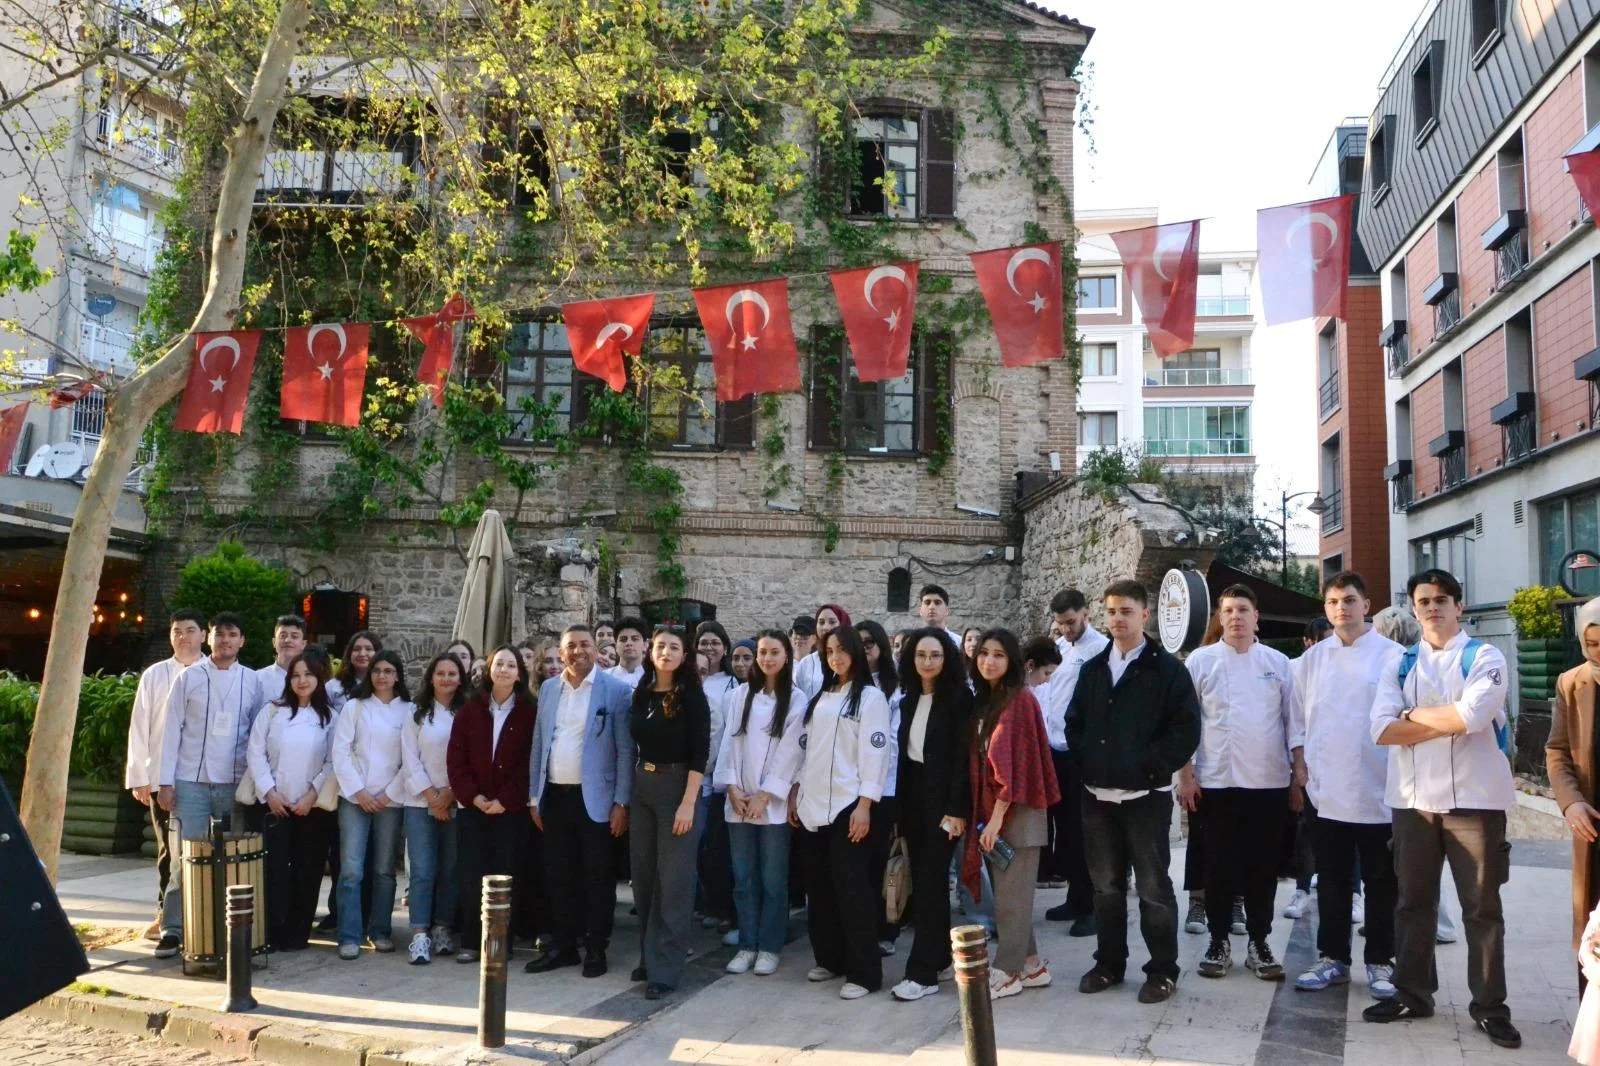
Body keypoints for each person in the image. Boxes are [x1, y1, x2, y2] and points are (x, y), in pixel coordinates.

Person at [1362, 568, 1520, 1049]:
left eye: (1441, 599)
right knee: (1412, 903)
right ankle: (1413, 993)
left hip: (1475, 802)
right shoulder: (1401, 663)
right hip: (1412, 802)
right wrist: (1443, 721)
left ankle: (1490, 1007)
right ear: (1414, 607)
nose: (1432, 607)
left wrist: (1410, 717)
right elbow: (1380, 731)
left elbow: (1474, 716)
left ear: (1459, 605)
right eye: (1424, 600)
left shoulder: (1485, 656)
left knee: (1482, 910)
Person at [1069, 580, 1201, 1005]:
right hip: (1096, 797)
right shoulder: (1092, 670)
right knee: (1105, 887)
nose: (1117, 619)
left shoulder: (1168, 671)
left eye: (1126, 611)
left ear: (1145, 615)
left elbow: (1185, 730)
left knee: (1152, 888)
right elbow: (1075, 724)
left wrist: (1150, 768)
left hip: (1145, 799)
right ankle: (1109, 962)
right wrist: (1090, 761)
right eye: (1110, 612)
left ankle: (1162, 970)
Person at [1291, 571, 1401, 1000]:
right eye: (1334, 602)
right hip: (1326, 788)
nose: (1342, 609)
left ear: (1366, 605)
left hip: (1380, 788)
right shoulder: (1311, 661)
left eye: (1350, 600)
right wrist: (1299, 769)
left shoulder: (1394, 656)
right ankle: (1332, 958)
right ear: (1326, 609)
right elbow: (1297, 722)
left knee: (1380, 882)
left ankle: (1381, 960)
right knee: (1333, 880)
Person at [1179, 585, 1294, 982]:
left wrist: (1297, 778)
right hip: (1214, 783)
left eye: (1243, 609)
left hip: (1268, 782)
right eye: (1228, 610)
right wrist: (1186, 774)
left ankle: (1260, 942)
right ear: (1220, 617)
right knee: (1217, 866)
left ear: (1256, 616)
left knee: (1262, 868)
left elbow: (1293, 725)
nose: (1235, 617)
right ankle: (1218, 941)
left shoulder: (1278, 663)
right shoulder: (1201, 661)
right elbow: (1186, 722)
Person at [776, 624, 891, 1000]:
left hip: (848, 805)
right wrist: (794, 788)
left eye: (842, 650)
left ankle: (864, 972)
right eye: (830, 651)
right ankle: (830, 957)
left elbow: (877, 754)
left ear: (856, 652)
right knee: (819, 887)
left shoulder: (870, 698)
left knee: (853, 889)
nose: (836, 657)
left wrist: (865, 804)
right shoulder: (822, 696)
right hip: (812, 805)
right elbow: (805, 747)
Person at [526, 625, 635, 978]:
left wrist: (621, 801)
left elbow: (624, 750)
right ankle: (564, 946)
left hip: (597, 800)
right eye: (571, 646)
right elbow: (540, 744)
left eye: (585, 644)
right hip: (555, 796)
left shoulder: (616, 691)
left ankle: (596, 948)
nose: (578, 651)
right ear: (561, 653)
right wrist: (534, 796)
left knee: (597, 878)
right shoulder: (548, 689)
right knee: (558, 875)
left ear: (597, 649)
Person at [155, 612, 265, 955]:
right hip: (190, 781)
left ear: (242, 641)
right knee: (184, 855)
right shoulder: (188, 678)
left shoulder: (252, 681)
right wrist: (164, 783)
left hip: (233, 783)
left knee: (232, 855)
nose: (226, 641)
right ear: (210, 639)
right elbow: (170, 730)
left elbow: (258, 735)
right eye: (220, 635)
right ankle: (172, 928)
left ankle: (226, 924)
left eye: (233, 635)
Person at [964, 628, 1060, 999]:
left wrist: (996, 820)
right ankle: (1033, 966)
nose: (989, 660)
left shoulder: (1018, 700)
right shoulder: (990, 699)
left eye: (999, 655)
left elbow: (1013, 766)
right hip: (1000, 813)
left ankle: (1007, 972)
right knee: (1011, 896)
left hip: (1015, 814)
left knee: (1012, 901)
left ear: (1014, 662)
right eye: (984, 652)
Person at [888, 629, 973, 1002]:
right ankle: (937, 957)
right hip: (914, 799)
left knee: (932, 882)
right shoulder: (907, 700)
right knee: (926, 883)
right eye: (921, 655)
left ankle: (921, 972)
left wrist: (956, 810)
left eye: (935, 655)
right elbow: (906, 760)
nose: (927, 662)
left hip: (944, 803)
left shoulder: (959, 699)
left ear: (947, 658)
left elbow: (962, 760)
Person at [715, 630, 805, 976]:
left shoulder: (796, 700)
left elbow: (791, 752)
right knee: (743, 879)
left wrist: (765, 795)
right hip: (738, 802)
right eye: (762, 652)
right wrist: (732, 789)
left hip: (772, 806)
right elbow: (729, 743)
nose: (766, 659)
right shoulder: (740, 695)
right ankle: (746, 944)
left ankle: (769, 945)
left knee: (772, 879)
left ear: (786, 658)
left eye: (774, 652)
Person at [629, 626, 712, 999]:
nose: (665, 651)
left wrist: (688, 802)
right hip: (642, 786)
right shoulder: (642, 692)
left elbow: (700, 753)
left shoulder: (692, 696)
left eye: (673, 647)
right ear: (651, 651)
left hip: (678, 786)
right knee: (644, 877)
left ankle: (665, 969)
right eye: (660, 645)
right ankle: (649, 957)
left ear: (684, 656)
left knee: (674, 881)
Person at [447, 644, 538, 963]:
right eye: (498, 664)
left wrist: (506, 800)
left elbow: (531, 762)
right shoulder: (470, 709)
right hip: (474, 808)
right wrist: (474, 796)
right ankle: (472, 942)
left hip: (510, 812)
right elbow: (456, 759)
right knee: (472, 875)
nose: (503, 670)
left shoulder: (530, 711)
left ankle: (501, 943)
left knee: (507, 875)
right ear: (488, 670)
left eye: (510, 665)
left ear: (519, 673)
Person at [127, 610, 206, 954]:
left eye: (191, 630)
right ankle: (165, 915)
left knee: (202, 850)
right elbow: (139, 726)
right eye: (177, 631)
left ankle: (201, 914)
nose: (184, 637)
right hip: (162, 777)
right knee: (167, 851)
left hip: (203, 779)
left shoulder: (215, 672)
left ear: (204, 635)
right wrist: (140, 777)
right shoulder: (155, 675)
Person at [248, 652, 337, 952]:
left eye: (308, 675)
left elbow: (332, 761)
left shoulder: (330, 717)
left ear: (319, 679)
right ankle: (273, 930)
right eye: (296, 675)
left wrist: (312, 795)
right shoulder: (272, 711)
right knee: (273, 869)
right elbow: (255, 752)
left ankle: (298, 933)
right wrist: (270, 792)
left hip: (311, 808)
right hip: (274, 805)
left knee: (308, 870)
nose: (302, 681)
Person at [330, 649, 414, 959]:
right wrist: (359, 791)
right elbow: (340, 752)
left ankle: (380, 931)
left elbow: (411, 758)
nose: (381, 675)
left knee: (383, 870)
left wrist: (388, 793)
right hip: (355, 799)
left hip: (391, 800)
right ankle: (349, 935)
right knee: (351, 870)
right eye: (377, 670)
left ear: (397, 676)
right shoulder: (355, 706)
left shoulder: (409, 710)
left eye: (388, 670)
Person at [393, 653, 467, 964]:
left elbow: (467, 759)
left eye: (452, 673)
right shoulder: (415, 713)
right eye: (441, 673)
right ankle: (420, 933)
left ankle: (442, 928)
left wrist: (449, 794)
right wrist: (432, 796)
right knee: (422, 871)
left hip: (456, 800)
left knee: (450, 870)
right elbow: (409, 760)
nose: (446, 678)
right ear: (431, 677)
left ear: (460, 678)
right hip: (418, 801)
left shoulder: (468, 712)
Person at [1041, 588, 1107, 933]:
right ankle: (1075, 898)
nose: (1067, 629)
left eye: (1071, 622)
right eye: (1061, 623)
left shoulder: (1101, 649)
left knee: (1087, 833)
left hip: (1081, 752)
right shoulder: (1062, 648)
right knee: (1066, 832)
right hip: (1056, 750)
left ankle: (1095, 908)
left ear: (1086, 612)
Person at [1549, 597, 1600, 994]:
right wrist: (1571, 801)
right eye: (1594, 642)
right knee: (1593, 935)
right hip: (1593, 830)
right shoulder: (1572, 682)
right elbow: (1558, 751)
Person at [858, 619, 902, 954]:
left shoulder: (895, 687)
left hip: (884, 786)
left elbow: (892, 741)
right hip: (850, 786)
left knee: (882, 861)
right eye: (857, 643)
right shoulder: (845, 683)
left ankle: (885, 928)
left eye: (870, 642)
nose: (865, 648)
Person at [794, 605, 849, 699]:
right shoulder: (806, 663)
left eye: (832, 622)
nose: (825, 627)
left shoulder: (851, 659)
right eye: (821, 622)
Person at [256, 615, 308, 707]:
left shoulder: (311, 680)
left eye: (294, 636)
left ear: (303, 644)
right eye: (283, 636)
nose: (288, 640)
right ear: (274, 642)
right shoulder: (257, 678)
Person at [328, 631, 379, 708]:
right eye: (356, 649)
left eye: (368, 649)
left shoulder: (384, 686)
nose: (362, 654)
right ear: (349, 654)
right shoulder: (333, 686)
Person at [916, 584, 964, 649]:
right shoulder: (911, 642)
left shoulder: (959, 643)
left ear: (946, 610)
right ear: (920, 610)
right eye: (927, 602)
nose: (931, 607)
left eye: (937, 603)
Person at [607, 618, 649, 690]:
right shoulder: (604, 677)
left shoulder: (653, 679)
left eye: (635, 639)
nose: (629, 643)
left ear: (645, 645)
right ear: (616, 646)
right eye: (623, 639)